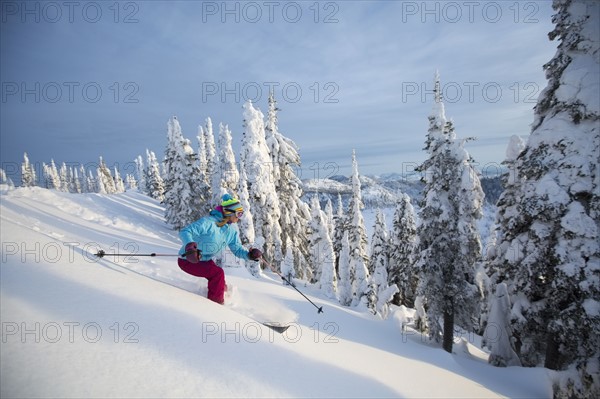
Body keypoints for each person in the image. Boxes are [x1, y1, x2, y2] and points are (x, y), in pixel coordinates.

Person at [178, 193, 262, 304]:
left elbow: (237, 249)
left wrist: (249, 255)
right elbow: (185, 231)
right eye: (238, 213)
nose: (239, 217)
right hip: (188, 259)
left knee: (222, 284)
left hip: (205, 261)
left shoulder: (231, 231)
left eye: (241, 214)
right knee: (217, 274)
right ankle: (216, 305)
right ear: (229, 213)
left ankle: (225, 297)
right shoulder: (208, 222)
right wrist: (190, 247)